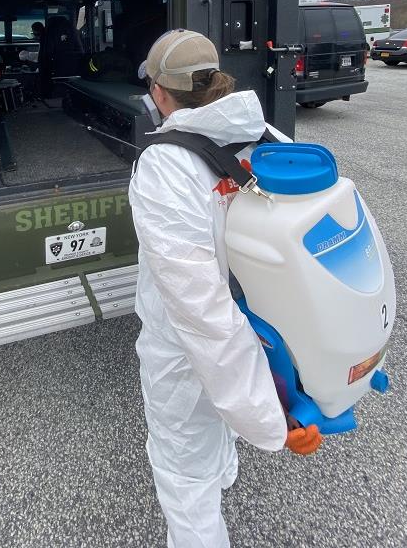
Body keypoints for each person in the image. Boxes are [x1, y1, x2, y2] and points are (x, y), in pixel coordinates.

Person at [128, 29, 322, 548]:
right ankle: (224, 473)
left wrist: (266, 415)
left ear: (161, 93)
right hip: (261, 329)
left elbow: (199, 310)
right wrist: (273, 396)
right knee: (217, 417)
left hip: (186, 344)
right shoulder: (267, 138)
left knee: (182, 461)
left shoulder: (164, 165)